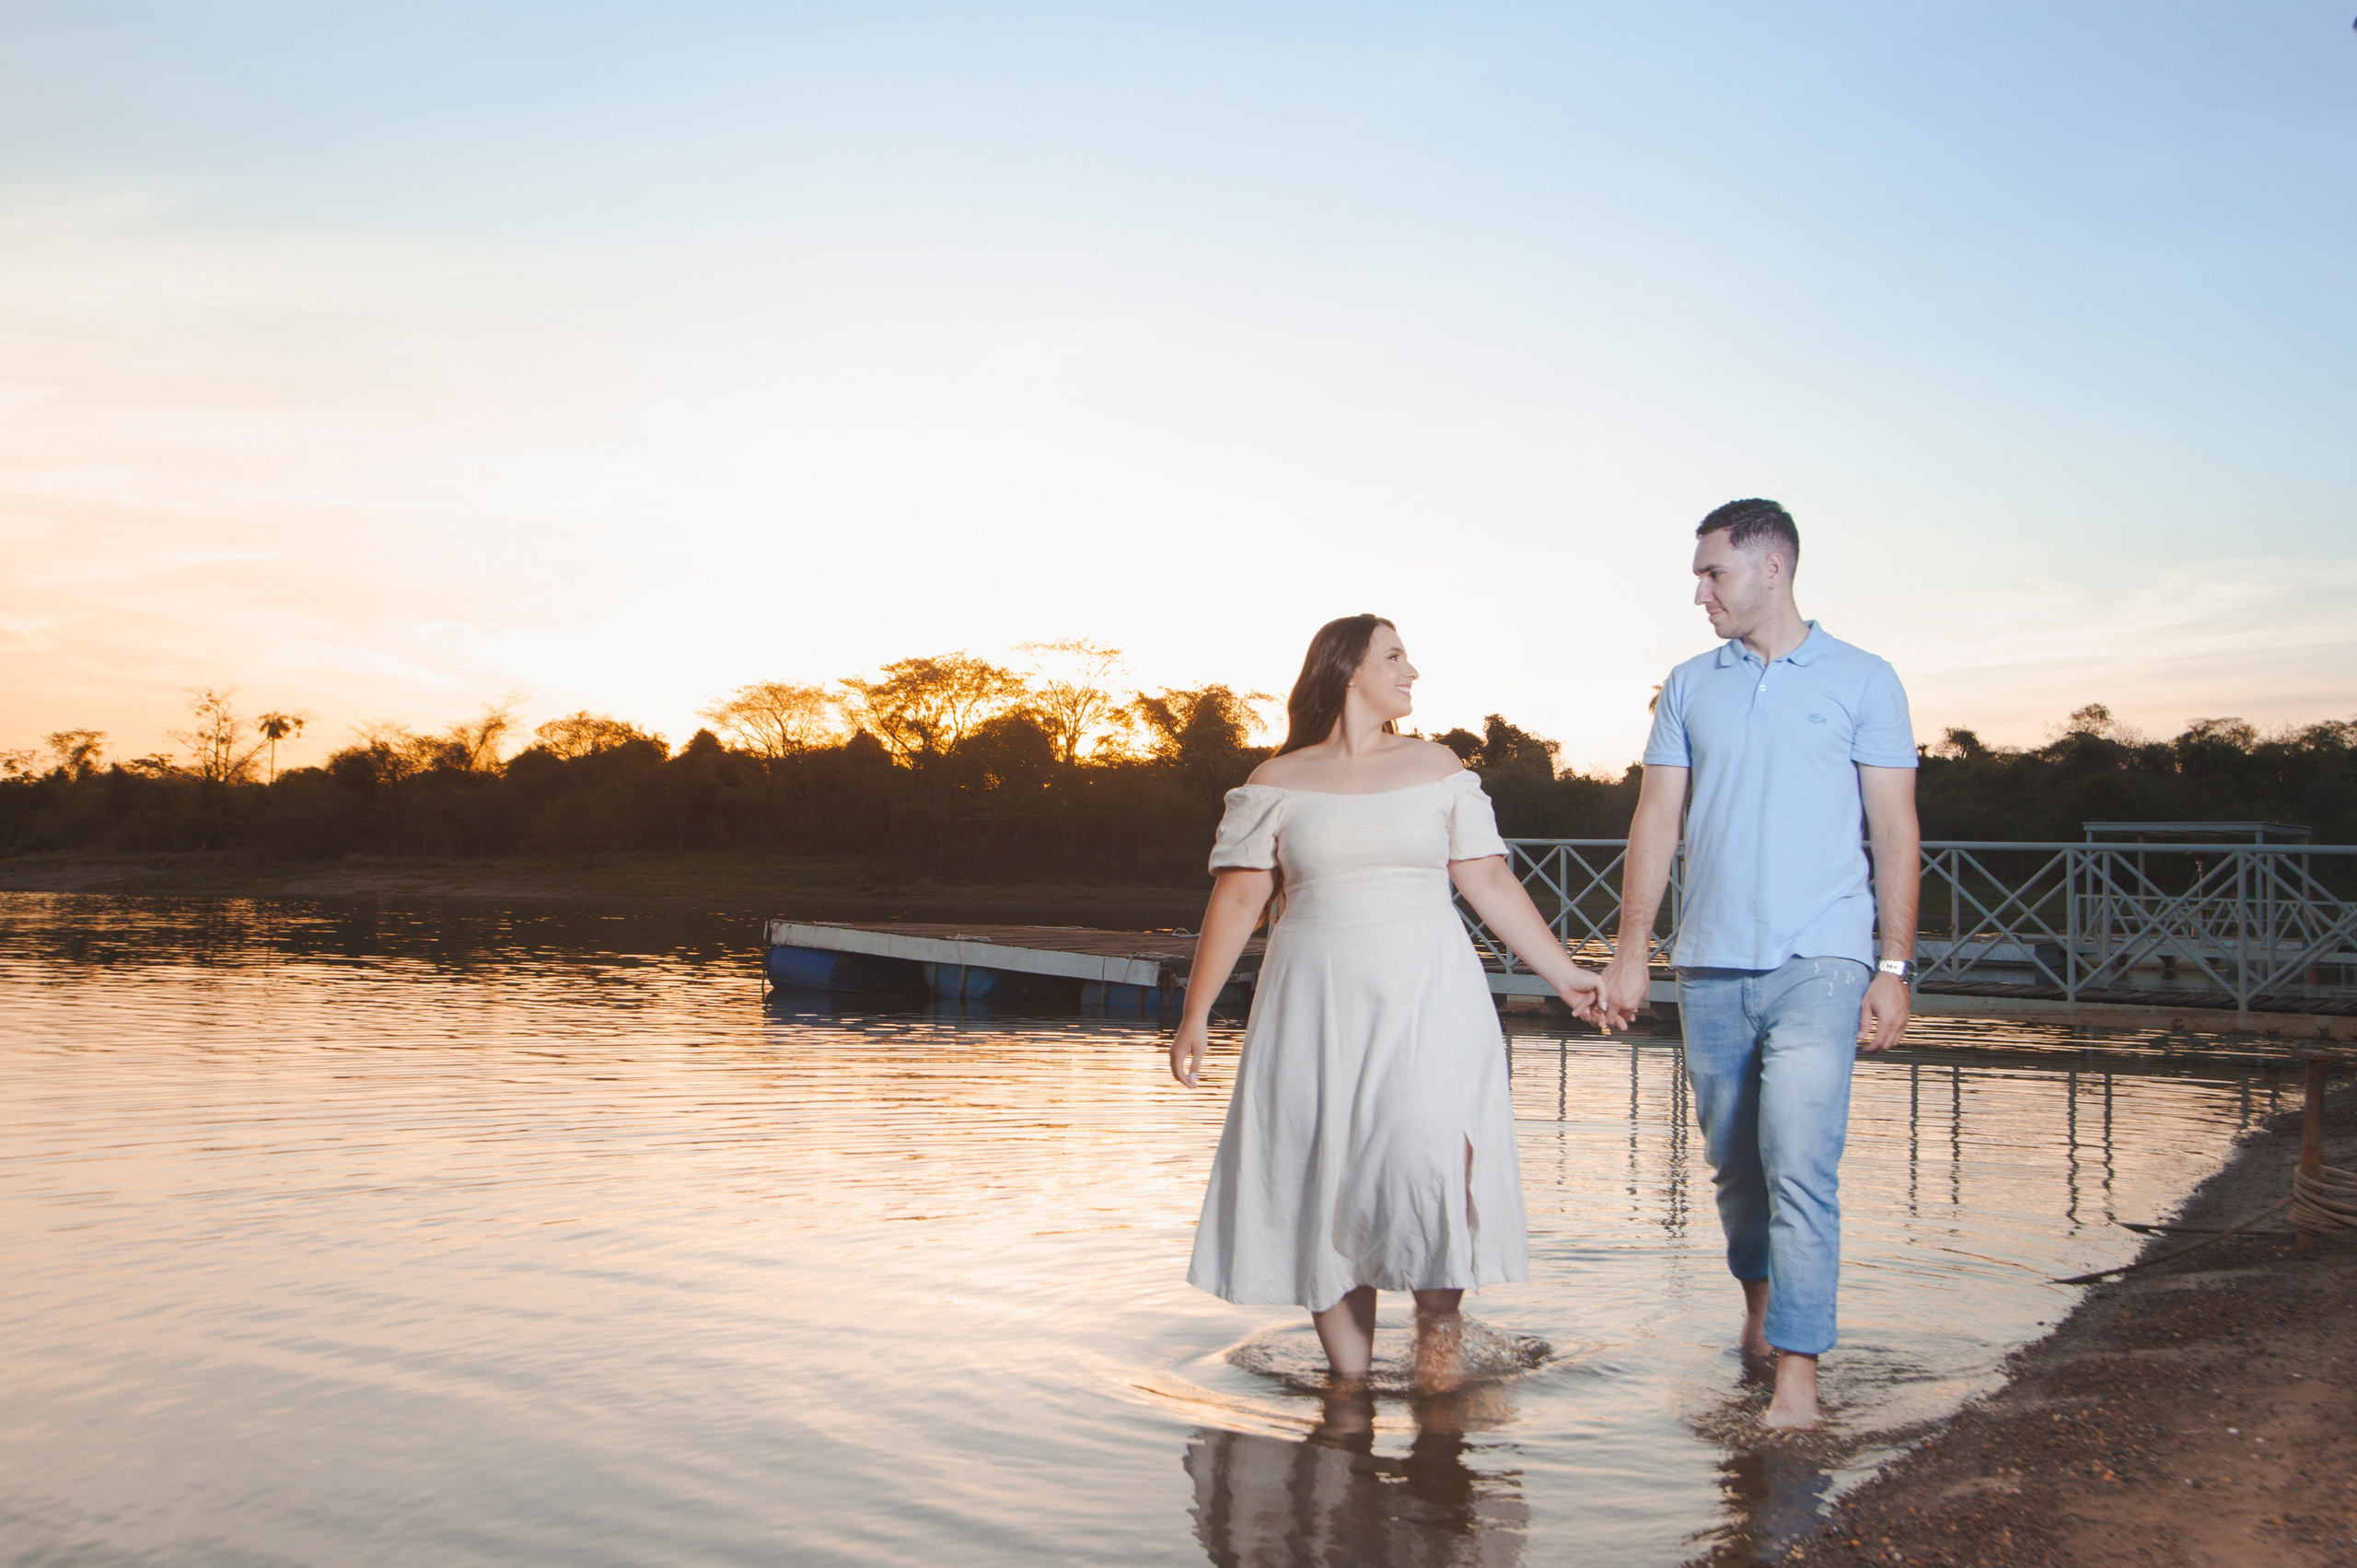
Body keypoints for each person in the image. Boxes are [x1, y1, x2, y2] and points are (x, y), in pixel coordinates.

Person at [1171, 614, 1606, 1393]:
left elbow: (1489, 880)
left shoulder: (1437, 766)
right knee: (1323, 1173)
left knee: (1432, 1159)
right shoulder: (1276, 780)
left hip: (1430, 998)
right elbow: (1238, 904)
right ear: (1347, 671)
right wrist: (1196, 1013)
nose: (1413, 670)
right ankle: (1352, 1392)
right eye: (1396, 656)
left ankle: (1440, 1338)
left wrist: (1565, 975)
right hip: (1314, 1007)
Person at [1598, 498, 1920, 1431]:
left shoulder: (1864, 679)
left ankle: (1797, 1379)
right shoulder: (1690, 684)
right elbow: (1654, 819)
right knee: (1735, 1167)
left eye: (1713, 572)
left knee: (1800, 1156)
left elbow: (1895, 827)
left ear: (1770, 567)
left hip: (1822, 957)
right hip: (1709, 963)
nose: (1700, 592)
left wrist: (1891, 964)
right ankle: (1759, 1314)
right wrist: (1629, 953)